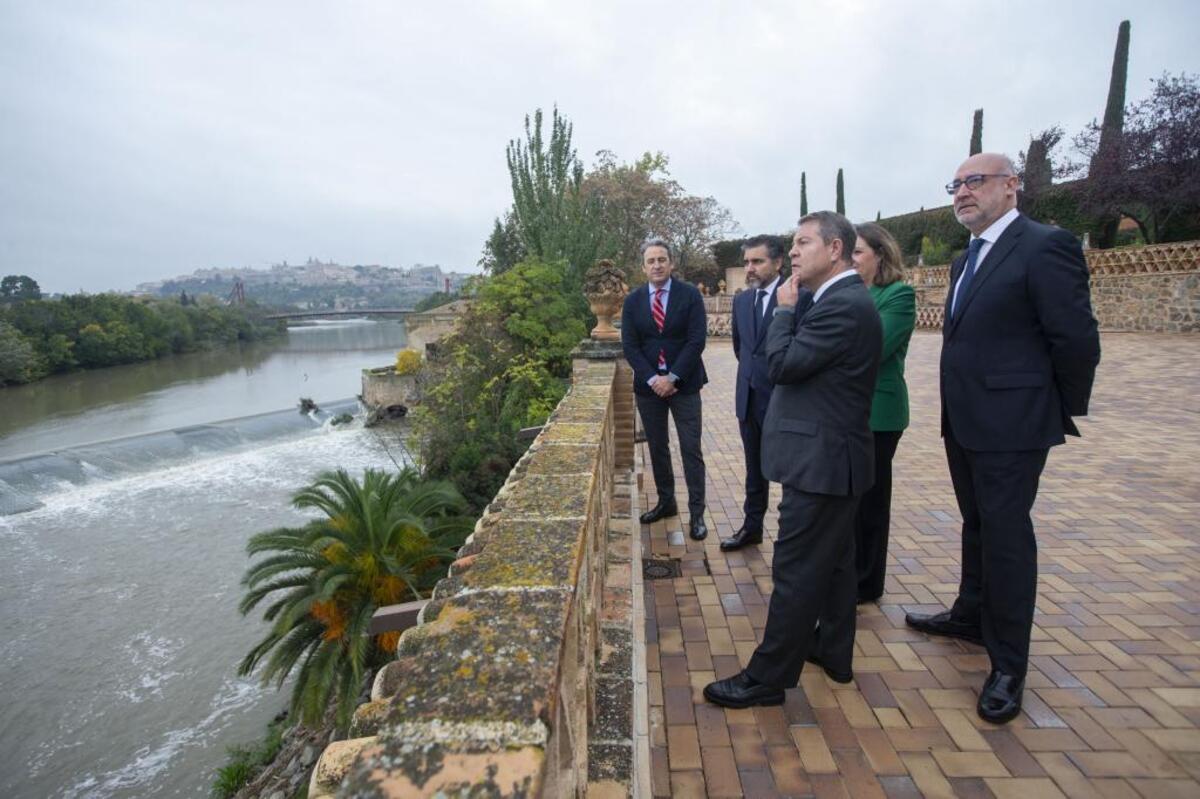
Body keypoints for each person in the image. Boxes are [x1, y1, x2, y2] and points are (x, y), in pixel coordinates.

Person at [906, 153, 1100, 724]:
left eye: (975, 182)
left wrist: (1054, 408)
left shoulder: (1044, 246)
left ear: (1012, 187)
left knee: (1008, 536)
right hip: (965, 421)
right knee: (978, 523)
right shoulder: (967, 257)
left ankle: (1009, 664)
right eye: (956, 185)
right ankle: (969, 613)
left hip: (1013, 424)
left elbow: (1076, 338)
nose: (962, 193)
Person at [704, 212, 881, 707]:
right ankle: (832, 650)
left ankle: (768, 677)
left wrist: (783, 311)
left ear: (837, 249)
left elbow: (780, 364)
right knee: (838, 563)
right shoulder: (833, 298)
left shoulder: (841, 304)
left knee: (796, 568)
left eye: (804, 243)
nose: (795, 252)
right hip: (832, 458)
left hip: (822, 461)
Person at [722, 235, 812, 551]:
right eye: (747, 261)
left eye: (757, 261)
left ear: (777, 263)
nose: (750, 268)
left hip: (783, 401)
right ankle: (752, 527)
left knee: (789, 472)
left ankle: (789, 540)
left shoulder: (799, 298)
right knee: (753, 470)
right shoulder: (742, 301)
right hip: (747, 398)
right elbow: (741, 348)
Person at [621, 237, 709, 541]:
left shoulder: (690, 296)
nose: (657, 265)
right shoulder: (632, 301)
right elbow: (630, 346)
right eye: (651, 261)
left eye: (661, 259)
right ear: (643, 267)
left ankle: (697, 513)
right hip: (649, 389)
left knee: (690, 449)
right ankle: (666, 502)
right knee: (657, 448)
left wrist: (672, 377)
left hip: (684, 385)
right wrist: (652, 379)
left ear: (671, 263)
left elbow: (697, 340)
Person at [851, 223, 916, 602]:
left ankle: (867, 581)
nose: (852, 259)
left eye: (859, 252)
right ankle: (850, 571)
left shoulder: (898, 295)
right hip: (846, 412)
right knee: (850, 500)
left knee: (871, 501)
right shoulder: (851, 291)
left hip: (879, 413)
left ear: (880, 253)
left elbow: (872, 349)